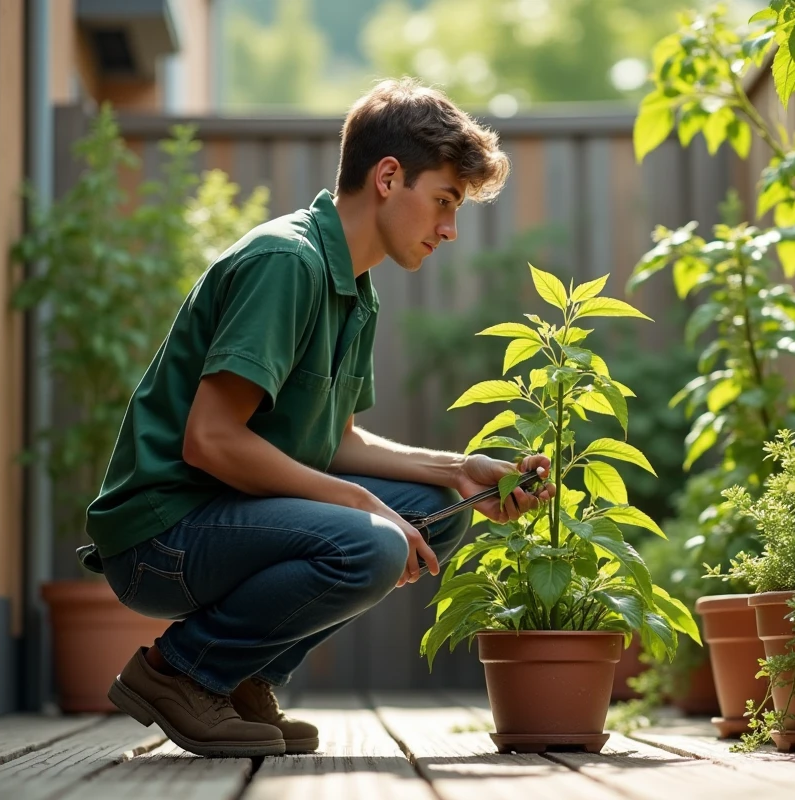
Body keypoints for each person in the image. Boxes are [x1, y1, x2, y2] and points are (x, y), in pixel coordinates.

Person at [81, 78, 555, 758]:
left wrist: (459, 469)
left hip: (225, 519)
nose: (450, 229)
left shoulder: (354, 289)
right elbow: (211, 440)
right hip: (163, 537)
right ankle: (176, 673)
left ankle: (239, 679)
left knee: (433, 509)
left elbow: (334, 442)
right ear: (389, 177)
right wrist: (365, 506)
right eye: (444, 202)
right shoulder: (288, 262)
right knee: (376, 539)